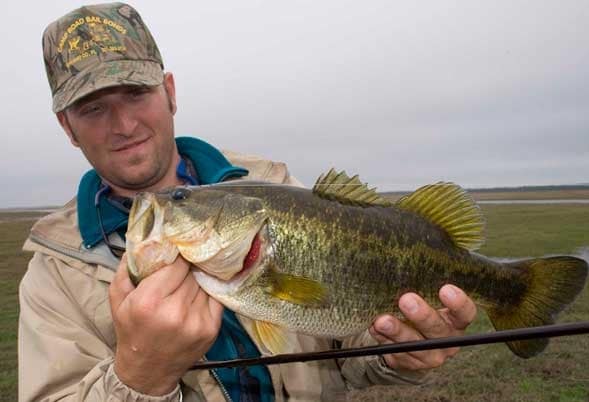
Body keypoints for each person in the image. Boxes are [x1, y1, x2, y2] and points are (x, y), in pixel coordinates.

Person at [19, 3, 477, 401]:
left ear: (170, 93)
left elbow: (345, 350)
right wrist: (140, 377)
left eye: (136, 94)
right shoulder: (52, 273)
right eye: (92, 108)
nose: (122, 124)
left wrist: (398, 352)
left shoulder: (274, 187)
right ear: (67, 127)